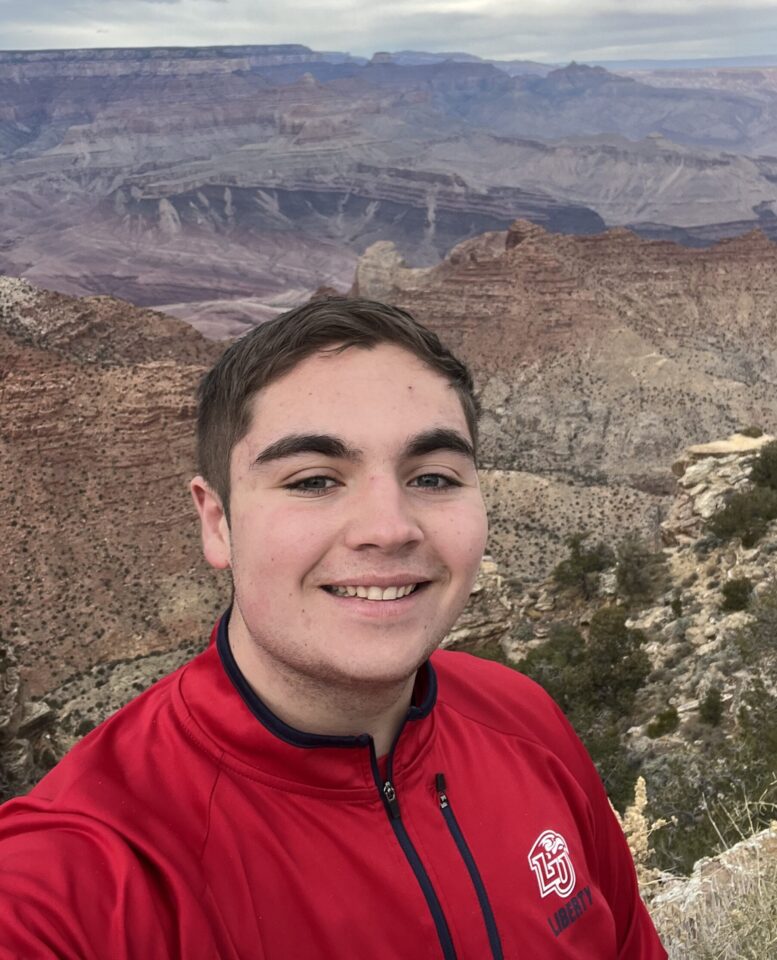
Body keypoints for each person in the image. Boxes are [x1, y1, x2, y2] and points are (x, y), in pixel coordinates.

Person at [0, 297, 667, 959]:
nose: (389, 528)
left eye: (434, 477)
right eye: (314, 481)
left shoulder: (523, 719)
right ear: (217, 522)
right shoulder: (85, 872)